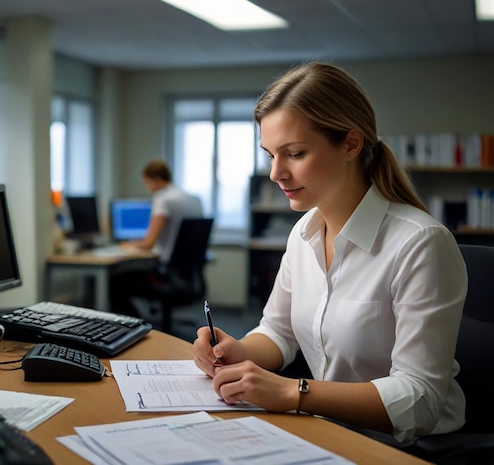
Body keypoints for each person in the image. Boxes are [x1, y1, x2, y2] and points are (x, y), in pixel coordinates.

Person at [193, 61, 468, 445]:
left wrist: (294, 393)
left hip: (409, 446)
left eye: (295, 153)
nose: (276, 174)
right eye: (270, 155)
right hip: (329, 429)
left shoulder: (420, 243)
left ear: (351, 144)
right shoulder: (303, 233)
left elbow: (420, 400)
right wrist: (238, 351)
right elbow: (278, 332)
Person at [110, 159, 203, 315]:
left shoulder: (163, 199)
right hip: (186, 275)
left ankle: (132, 326)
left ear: (158, 180)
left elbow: (148, 243)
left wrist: (127, 245)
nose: (148, 188)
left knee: (115, 280)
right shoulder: (193, 200)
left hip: (165, 273)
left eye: (147, 183)